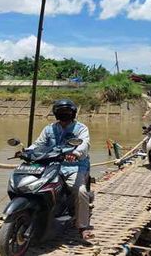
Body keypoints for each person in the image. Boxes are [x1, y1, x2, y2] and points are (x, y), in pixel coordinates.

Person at [27, 99, 93, 239]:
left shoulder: (81, 128)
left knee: (80, 191)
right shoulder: (49, 129)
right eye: (61, 112)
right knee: (33, 184)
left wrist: (75, 153)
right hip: (51, 165)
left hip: (74, 166)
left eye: (67, 112)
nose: (64, 114)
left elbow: (84, 144)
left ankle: (82, 227)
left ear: (73, 113)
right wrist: (26, 151)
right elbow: (38, 144)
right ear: (56, 114)